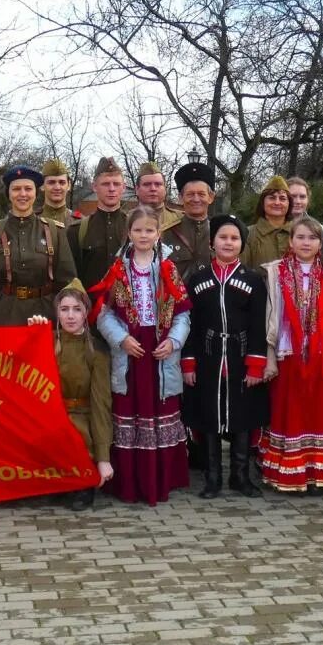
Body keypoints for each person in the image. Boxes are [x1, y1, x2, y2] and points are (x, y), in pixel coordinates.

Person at [93, 206, 192, 505]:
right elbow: (102, 314)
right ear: (129, 233)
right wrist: (121, 339)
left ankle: (160, 480)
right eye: (138, 230)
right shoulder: (118, 271)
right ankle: (130, 482)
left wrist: (174, 341)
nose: (144, 235)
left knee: (160, 412)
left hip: (159, 352)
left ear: (158, 233)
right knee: (129, 414)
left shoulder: (168, 270)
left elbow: (183, 314)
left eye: (149, 230)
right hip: (130, 353)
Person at [260, 215, 323, 493]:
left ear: (320, 242)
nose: (306, 243)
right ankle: (291, 473)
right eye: (300, 237)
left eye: (312, 238)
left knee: (321, 412)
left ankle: (321, 472)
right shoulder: (275, 273)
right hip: (288, 354)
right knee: (292, 411)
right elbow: (269, 316)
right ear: (290, 241)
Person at [181, 215, 269, 499]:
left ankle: (240, 476)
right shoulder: (198, 279)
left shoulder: (253, 280)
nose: (228, 243)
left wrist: (256, 364)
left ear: (241, 244)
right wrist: (188, 361)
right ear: (212, 242)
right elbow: (190, 322)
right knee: (209, 415)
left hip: (240, 356)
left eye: (234, 238)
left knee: (242, 414)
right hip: (207, 356)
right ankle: (213, 477)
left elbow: (259, 324)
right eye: (223, 237)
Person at [32, 280, 113, 508]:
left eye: (77, 309)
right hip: (52, 417)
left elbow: (101, 405)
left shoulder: (96, 351)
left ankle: (82, 485)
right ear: (56, 312)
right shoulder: (45, 341)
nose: (70, 316)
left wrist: (103, 459)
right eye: (64, 309)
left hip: (82, 418)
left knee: (77, 434)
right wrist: (31, 332)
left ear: (86, 312)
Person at [0, 166, 78, 327]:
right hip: (4, 315)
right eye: (16, 189)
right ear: (9, 193)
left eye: (28, 189)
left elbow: (67, 282)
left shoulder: (53, 231)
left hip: (45, 314)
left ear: (36, 193)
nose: (22, 194)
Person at [70, 158, 129, 297]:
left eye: (116, 184)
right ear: (94, 186)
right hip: (90, 310)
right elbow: (70, 278)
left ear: (124, 187)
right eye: (105, 184)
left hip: (128, 312)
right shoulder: (77, 230)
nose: (111, 189)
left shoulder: (135, 227)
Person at [163, 161, 216, 279]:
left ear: (211, 197)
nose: (196, 199)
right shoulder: (166, 234)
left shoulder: (220, 233)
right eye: (190, 194)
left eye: (201, 194)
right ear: (181, 198)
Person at [243, 176, 293, 269]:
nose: (277, 202)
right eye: (272, 198)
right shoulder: (248, 234)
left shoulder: (299, 232)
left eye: (282, 198)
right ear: (263, 202)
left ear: (289, 204)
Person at [135, 161, 184, 232]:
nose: (153, 189)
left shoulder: (181, 219)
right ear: (137, 189)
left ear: (165, 189)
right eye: (147, 184)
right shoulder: (126, 221)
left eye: (158, 184)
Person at [40, 159, 81, 225]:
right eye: (51, 182)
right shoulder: (31, 221)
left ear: (69, 185)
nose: (57, 187)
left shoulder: (81, 222)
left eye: (62, 182)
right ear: (42, 186)